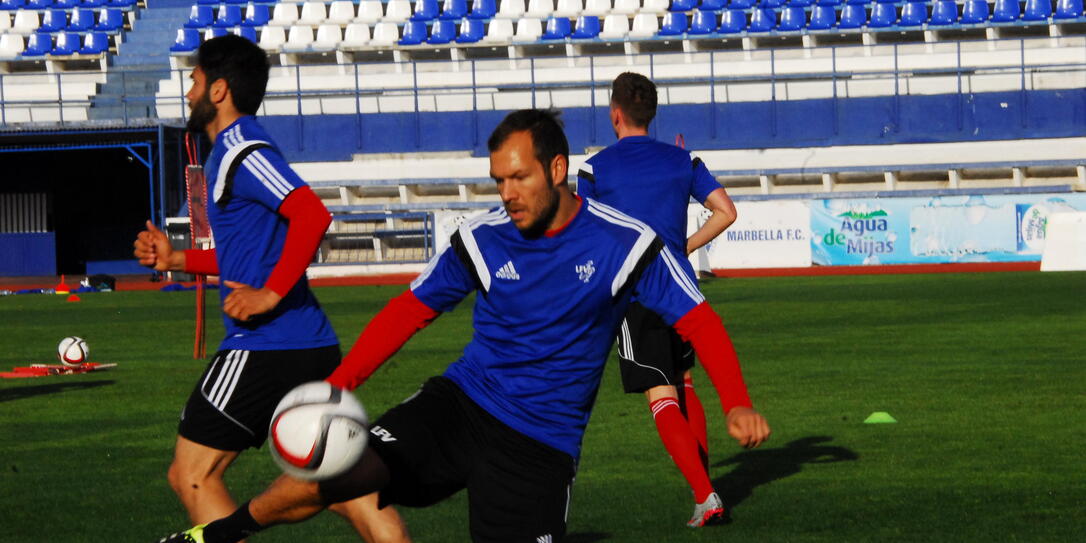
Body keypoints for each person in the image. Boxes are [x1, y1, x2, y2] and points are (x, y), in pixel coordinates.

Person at [155, 109, 769, 543]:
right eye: (498, 180)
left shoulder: (627, 245)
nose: (507, 193)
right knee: (338, 465)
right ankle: (221, 534)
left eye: (519, 177)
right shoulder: (481, 240)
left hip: (541, 445)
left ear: (557, 170)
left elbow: (703, 323)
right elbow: (408, 312)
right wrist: (337, 385)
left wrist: (736, 403)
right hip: (462, 405)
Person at [133, 35, 409, 543]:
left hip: (265, 346)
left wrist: (272, 295)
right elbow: (247, 257)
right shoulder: (233, 153)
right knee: (346, 488)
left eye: (193, 82)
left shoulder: (242, 148)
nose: (188, 92)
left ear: (218, 90)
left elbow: (311, 212)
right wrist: (178, 261)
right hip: (306, 344)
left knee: (192, 472)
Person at [576, 72, 739, 527]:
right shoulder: (682, 160)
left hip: (635, 292)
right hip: (683, 290)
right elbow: (727, 211)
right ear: (652, 114)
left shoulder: (595, 168)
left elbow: (583, 235)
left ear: (615, 114)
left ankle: (706, 496)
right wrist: (685, 247)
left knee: (660, 392)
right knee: (685, 384)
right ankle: (702, 487)